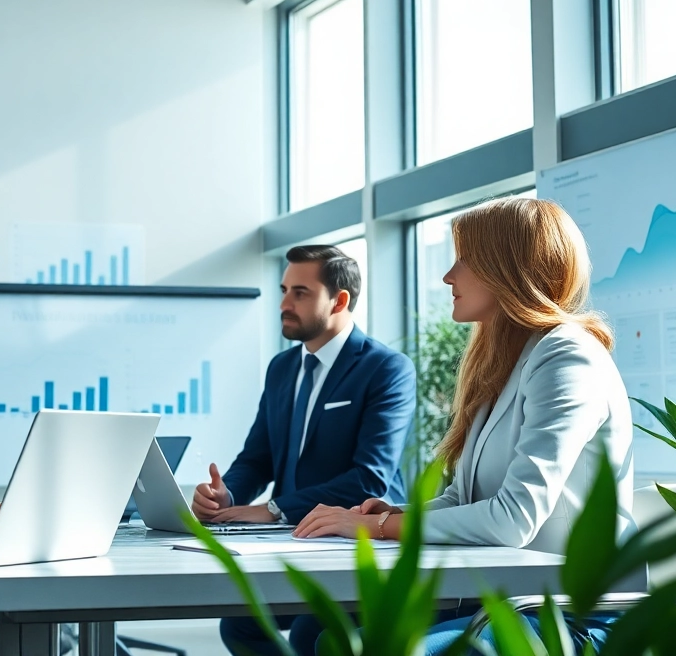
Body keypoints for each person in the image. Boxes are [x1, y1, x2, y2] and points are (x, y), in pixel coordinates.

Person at [293, 197, 634, 655]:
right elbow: (464, 497)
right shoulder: (507, 361)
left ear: (507, 268)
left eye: (464, 260)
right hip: (504, 595)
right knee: (317, 630)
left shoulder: (566, 356)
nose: (448, 276)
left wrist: (375, 530)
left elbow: (514, 519)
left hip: (566, 612)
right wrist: (391, 516)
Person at [191, 245, 417, 656]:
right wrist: (228, 496)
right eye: (284, 290)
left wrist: (276, 508)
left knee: (310, 632)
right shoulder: (282, 367)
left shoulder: (386, 368)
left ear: (340, 300)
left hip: (359, 543)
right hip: (293, 539)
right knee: (242, 626)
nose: (283, 304)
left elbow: (370, 477)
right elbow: (257, 457)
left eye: (300, 293)